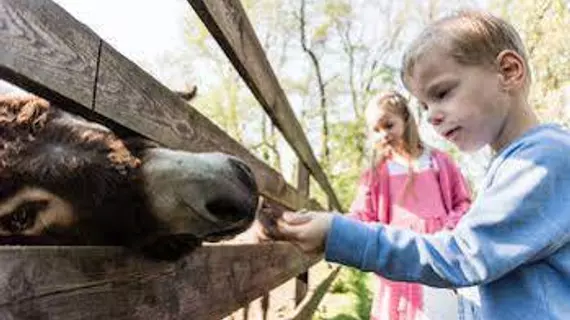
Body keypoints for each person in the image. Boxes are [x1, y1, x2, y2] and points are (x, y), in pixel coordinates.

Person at [264, 10, 570, 319]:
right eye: (425, 105)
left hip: (436, 255)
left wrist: (339, 236)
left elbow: (464, 254)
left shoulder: (543, 161)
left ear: (508, 71)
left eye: (442, 93)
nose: (432, 115)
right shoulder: (519, 161)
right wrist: (337, 225)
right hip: (418, 264)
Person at [348, 90, 471, 320]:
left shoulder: (439, 162)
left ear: (406, 120)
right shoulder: (376, 174)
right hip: (398, 254)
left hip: (437, 252)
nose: (383, 134)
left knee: (441, 310)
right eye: (376, 130)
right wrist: (338, 227)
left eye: (388, 125)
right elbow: (361, 214)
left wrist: (448, 227)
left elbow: (462, 202)